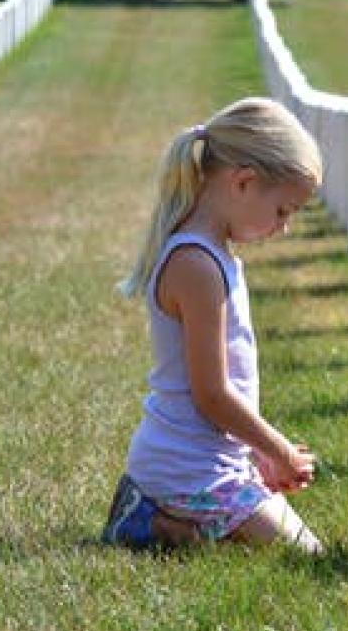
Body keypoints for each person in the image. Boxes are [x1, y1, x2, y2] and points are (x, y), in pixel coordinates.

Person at [102, 96, 324, 554]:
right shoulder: (196, 265)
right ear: (243, 182)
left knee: (297, 548)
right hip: (187, 471)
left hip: (211, 462)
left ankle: (171, 521)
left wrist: (257, 454)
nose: (283, 227)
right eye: (282, 211)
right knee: (305, 555)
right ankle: (154, 520)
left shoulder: (213, 256)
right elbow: (211, 395)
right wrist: (278, 449)